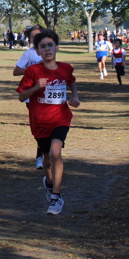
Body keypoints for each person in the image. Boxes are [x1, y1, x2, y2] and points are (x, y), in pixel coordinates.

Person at [16, 29, 80, 215]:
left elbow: (71, 81)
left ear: (57, 47)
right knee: (47, 159)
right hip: (39, 121)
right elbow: (22, 96)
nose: (47, 49)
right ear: (37, 51)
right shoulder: (33, 71)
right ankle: (50, 183)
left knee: (55, 151)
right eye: (42, 46)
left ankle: (56, 197)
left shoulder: (65, 68)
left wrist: (75, 96)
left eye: (50, 45)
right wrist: (37, 87)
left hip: (61, 118)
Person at [13, 25, 45, 170]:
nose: (36, 39)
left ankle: (45, 154)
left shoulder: (48, 50)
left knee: (48, 125)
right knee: (40, 126)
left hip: (48, 94)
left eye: (39, 35)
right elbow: (16, 71)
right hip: (32, 95)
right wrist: (32, 69)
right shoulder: (29, 53)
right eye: (33, 37)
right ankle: (40, 156)